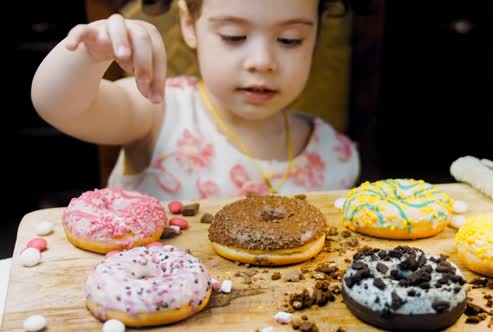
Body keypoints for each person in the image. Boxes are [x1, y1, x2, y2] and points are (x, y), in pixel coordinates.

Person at [31, 0, 360, 200]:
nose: (262, 61)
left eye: (291, 40)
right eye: (234, 36)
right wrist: (91, 52)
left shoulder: (334, 154)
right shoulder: (158, 108)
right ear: (189, 24)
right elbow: (60, 106)